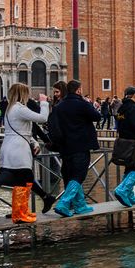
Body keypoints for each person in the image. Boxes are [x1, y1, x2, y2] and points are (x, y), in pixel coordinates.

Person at [0, 83, 54, 223]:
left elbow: (24, 130)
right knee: (24, 179)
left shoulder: (11, 109)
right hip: (18, 149)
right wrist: (44, 103)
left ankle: (21, 211)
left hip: (13, 146)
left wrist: (34, 143)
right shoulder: (18, 108)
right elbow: (42, 118)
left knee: (23, 180)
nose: (29, 96)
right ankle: (19, 214)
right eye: (27, 93)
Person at [48, 79, 101, 216]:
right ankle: (64, 203)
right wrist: (88, 103)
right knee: (79, 175)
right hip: (81, 145)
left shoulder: (59, 106)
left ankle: (80, 205)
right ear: (78, 90)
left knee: (72, 175)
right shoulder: (82, 104)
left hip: (65, 147)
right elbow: (97, 116)